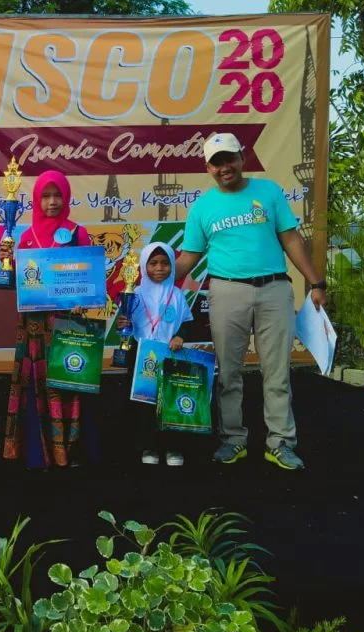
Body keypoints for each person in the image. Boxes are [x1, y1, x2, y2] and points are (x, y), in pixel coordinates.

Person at [175, 132, 327, 471]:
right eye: (216, 163)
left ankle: (281, 443)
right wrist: (149, 287)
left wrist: (316, 282)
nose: (224, 167)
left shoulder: (269, 192)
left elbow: (290, 239)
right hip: (227, 292)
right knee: (229, 372)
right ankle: (233, 440)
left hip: (274, 289)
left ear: (242, 157)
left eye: (229, 158)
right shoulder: (202, 207)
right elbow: (188, 257)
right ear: (207, 168)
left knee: (277, 372)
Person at [1, 170, 96, 470]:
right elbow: (20, 283)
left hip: (66, 325)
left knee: (67, 384)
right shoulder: (26, 237)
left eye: (58, 195)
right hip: (33, 327)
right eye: (46, 196)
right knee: (35, 385)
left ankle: (68, 452)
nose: (52, 202)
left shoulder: (77, 232)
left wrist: (83, 302)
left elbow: (88, 278)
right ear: (36, 200)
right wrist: (8, 261)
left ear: (66, 197)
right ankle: (38, 454)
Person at [117, 242, 194, 466]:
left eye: (165, 263)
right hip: (142, 358)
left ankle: (173, 448)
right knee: (145, 405)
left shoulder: (177, 295)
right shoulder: (135, 294)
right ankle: (148, 446)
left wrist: (180, 336)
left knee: (170, 403)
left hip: (171, 355)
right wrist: (122, 324)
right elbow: (125, 326)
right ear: (143, 266)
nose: (159, 268)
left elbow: (188, 322)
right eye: (152, 263)